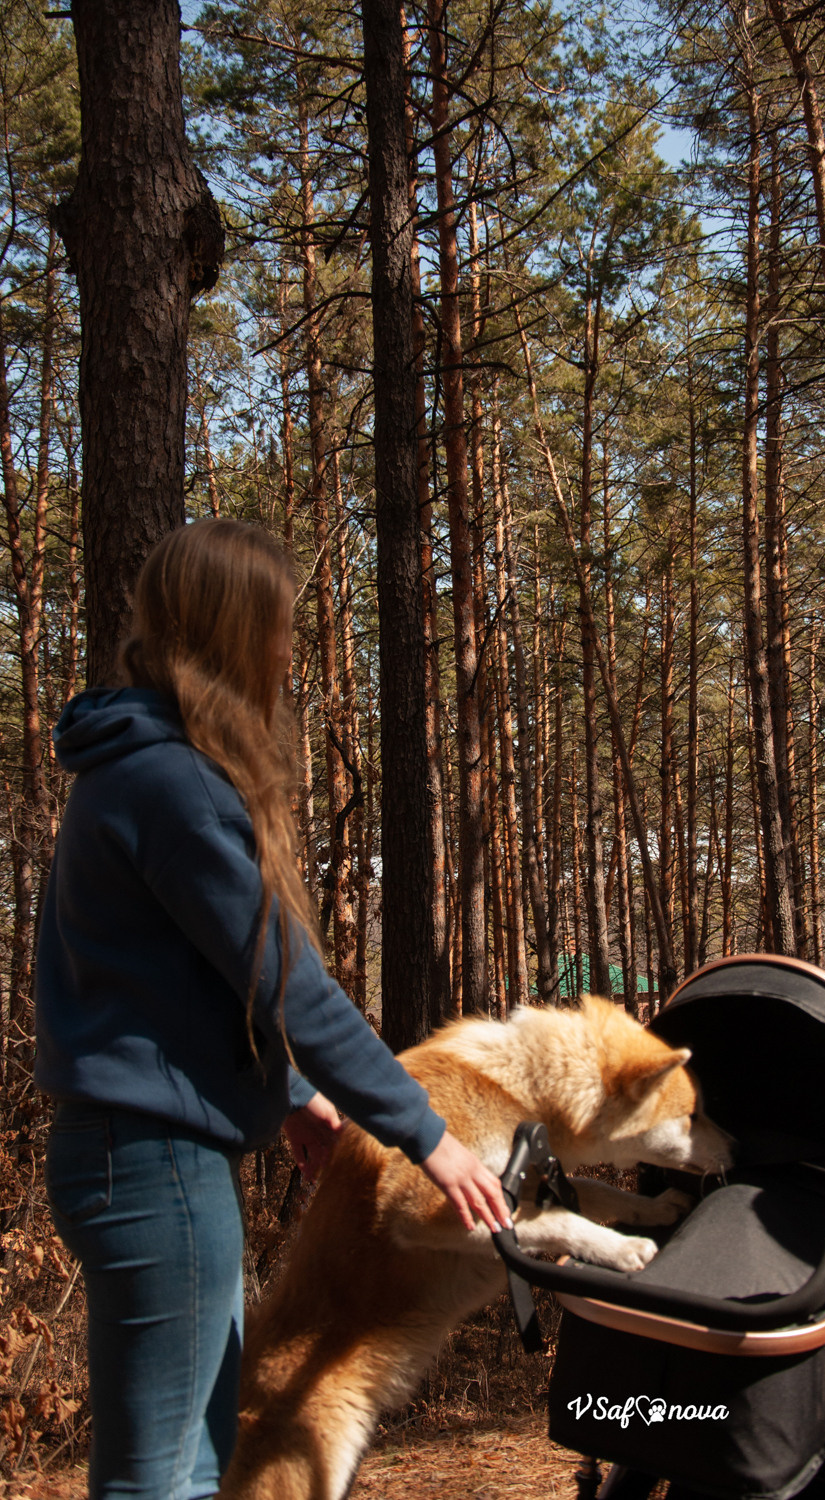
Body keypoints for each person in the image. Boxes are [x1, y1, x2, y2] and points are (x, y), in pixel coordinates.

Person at [35, 518, 511, 1500]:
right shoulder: (171, 782)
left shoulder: (126, 772)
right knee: (163, 1478)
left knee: (196, 1461)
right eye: (280, 628)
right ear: (234, 629)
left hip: (131, 1158)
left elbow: (174, 983)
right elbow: (287, 982)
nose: (289, 653)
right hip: (158, 1169)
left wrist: (290, 1093)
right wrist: (428, 1134)